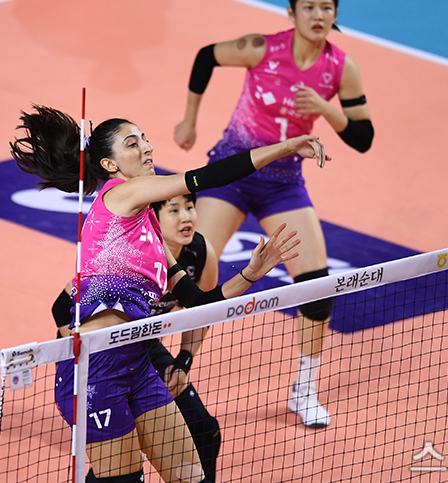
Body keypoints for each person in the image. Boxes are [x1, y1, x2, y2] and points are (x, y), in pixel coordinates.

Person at [11, 104, 327, 483]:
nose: (147, 147)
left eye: (144, 138)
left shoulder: (151, 232)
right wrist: (285, 147)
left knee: (192, 476)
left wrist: (251, 273)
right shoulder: (122, 193)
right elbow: (208, 177)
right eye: (132, 143)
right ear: (110, 165)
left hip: (138, 362)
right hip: (97, 370)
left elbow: (200, 303)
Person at [174, 0, 373, 429]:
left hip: (283, 184)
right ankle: (178, 371)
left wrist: (325, 108)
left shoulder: (341, 68)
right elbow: (206, 56)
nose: (317, 15)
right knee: (198, 268)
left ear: (334, 14)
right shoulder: (261, 49)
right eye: (309, 7)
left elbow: (363, 137)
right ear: (291, 13)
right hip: (232, 172)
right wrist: (189, 121)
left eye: (326, 7)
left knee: (317, 287)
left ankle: (305, 390)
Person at [52, 194, 224, 482]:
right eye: (174, 210)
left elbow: (202, 312)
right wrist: (87, 358)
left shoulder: (201, 254)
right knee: (123, 461)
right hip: (96, 350)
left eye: (190, 207)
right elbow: (61, 308)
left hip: (144, 347)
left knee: (204, 429)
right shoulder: (129, 250)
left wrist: (183, 360)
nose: (186, 217)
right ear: (153, 218)